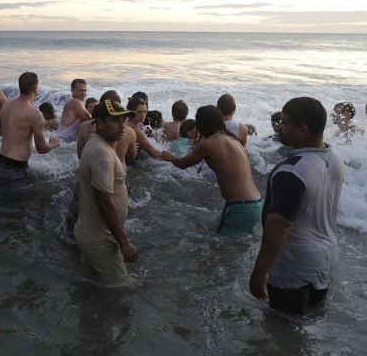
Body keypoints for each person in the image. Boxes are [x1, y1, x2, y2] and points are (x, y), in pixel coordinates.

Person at [249, 97, 345, 314]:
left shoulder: (292, 170)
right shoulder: (335, 159)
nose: (279, 127)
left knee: (280, 331)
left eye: (285, 122)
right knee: (304, 330)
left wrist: (259, 271)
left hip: (295, 266)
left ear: (302, 129)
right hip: (326, 258)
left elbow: (279, 224)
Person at [161, 105, 262, 234]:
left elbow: (183, 164)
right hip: (256, 202)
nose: (197, 128)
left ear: (203, 123)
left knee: (219, 249)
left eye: (198, 123)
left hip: (240, 206)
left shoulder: (209, 143)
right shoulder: (232, 139)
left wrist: (171, 158)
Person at [75, 99, 139, 284]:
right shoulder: (102, 155)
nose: (122, 126)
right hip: (100, 239)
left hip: (92, 232)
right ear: (100, 122)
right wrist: (124, 242)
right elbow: (104, 201)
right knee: (120, 290)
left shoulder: (100, 145)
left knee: (92, 288)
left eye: (124, 120)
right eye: (115, 120)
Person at [0, 72, 60, 189]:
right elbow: (41, 149)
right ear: (35, 88)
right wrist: (53, 144)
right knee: (16, 205)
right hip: (16, 168)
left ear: (20, 86)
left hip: (1, 163)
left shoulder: (6, 106)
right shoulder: (35, 114)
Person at [77, 91, 137, 166]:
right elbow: (132, 158)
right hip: (119, 173)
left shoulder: (84, 127)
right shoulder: (130, 132)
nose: (121, 126)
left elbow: (80, 156)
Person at [55, 78, 91, 143]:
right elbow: (88, 118)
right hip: (62, 142)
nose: (84, 93)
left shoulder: (73, 103)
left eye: (85, 90)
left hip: (61, 142)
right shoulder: (75, 102)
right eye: (81, 90)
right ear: (72, 90)